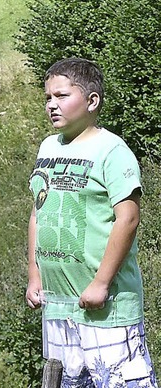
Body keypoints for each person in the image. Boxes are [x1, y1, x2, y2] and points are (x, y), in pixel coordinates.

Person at [25, 57, 157, 387]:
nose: (51, 105)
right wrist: (34, 273)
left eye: (61, 96)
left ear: (92, 101)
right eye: (47, 98)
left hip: (106, 309)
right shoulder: (47, 147)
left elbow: (128, 219)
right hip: (57, 307)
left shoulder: (112, 150)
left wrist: (100, 283)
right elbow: (37, 212)